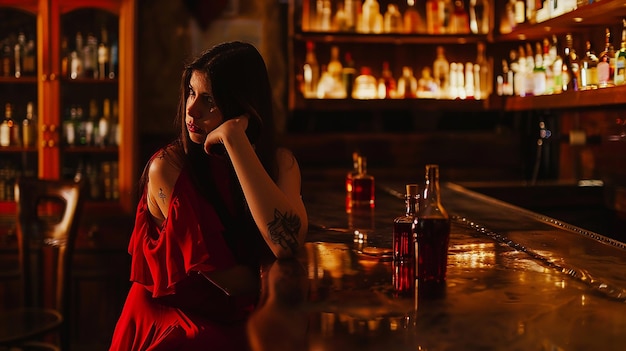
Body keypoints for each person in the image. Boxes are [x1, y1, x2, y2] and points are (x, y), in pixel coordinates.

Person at [108, 41, 308, 350]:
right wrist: (273, 274)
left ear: (244, 106)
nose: (191, 109)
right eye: (190, 92)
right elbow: (229, 282)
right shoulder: (167, 168)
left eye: (209, 99)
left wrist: (233, 140)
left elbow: (287, 241)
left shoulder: (280, 162)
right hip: (177, 324)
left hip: (235, 318)